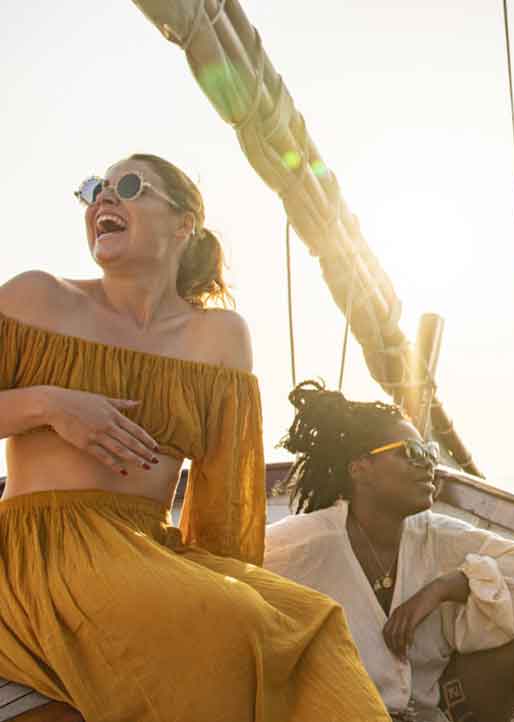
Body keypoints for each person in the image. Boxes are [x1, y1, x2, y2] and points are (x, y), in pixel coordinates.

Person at [0, 155, 390, 720]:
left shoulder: (219, 336)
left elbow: (225, 500)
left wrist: (233, 580)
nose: (103, 201)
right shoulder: (38, 298)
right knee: (226, 622)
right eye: (94, 190)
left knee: (310, 623)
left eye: (128, 187)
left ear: (184, 223)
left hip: (144, 548)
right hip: (41, 546)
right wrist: (52, 404)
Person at [265, 380, 514, 722]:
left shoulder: (435, 536)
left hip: (425, 715)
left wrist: (443, 588)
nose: (428, 464)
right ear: (360, 468)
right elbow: (234, 578)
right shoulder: (307, 544)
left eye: (430, 453)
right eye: (411, 452)